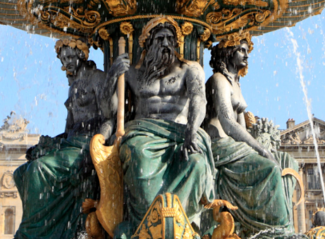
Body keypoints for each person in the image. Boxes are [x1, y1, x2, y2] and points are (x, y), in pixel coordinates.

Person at [109, 17, 214, 237]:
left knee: (196, 162)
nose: (166, 43)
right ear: (147, 45)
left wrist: (192, 131)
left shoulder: (190, 69)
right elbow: (111, 111)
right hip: (143, 134)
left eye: (170, 39)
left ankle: (182, 224)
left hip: (181, 132)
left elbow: (199, 99)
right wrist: (112, 76)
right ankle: (147, 224)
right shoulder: (132, 73)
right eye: (159, 39)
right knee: (137, 155)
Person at [13, 39, 122, 239]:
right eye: (64, 59)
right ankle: (50, 229)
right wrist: (48, 144)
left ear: (82, 55)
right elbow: (69, 128)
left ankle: (34, 232)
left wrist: (98, 143)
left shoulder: (97, 78)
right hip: (71, 142)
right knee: (21, 172)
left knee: (38, 169)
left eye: (71, 57)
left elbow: (110, 117)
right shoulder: (73, 86)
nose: (68, 62)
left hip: (88, 142)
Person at [204, 32, 294, 237]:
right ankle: (276, 230)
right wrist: (261, 150)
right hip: (218, 145)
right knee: (270, 168)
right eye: (242, 50)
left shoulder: (235, 84)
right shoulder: (219, 80)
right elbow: (227, 123)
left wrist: (261, 149)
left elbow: (241, 129)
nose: (246, 56)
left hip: (232, 145)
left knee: (285, 161)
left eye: (247, 51)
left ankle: (274, 222)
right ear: (229, 52)